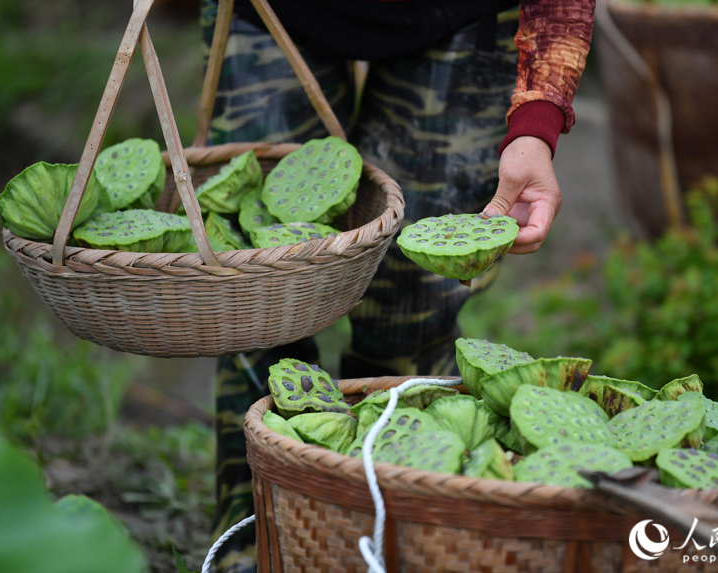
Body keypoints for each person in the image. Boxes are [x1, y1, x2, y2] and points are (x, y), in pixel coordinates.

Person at [200, 0, 594, 569]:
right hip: (277, 11)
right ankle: (253, 542)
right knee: (253, 288)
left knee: (412, 307)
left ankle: (381, 540)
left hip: (456, 16)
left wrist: (536, 123)